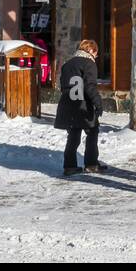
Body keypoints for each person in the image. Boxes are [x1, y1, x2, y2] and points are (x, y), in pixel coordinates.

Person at [55, 40, 104, 176]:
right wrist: (98, 104)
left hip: (67, 104)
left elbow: (62, 86)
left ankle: (69, 166)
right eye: (96, 53)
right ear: (91, 51)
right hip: (83, 105)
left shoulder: (67, 64)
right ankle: (91, 164)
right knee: (92, 132)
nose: (96, 56)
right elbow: (90, 86)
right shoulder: (89, 63)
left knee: (73, 135)